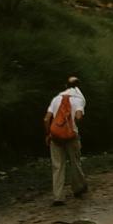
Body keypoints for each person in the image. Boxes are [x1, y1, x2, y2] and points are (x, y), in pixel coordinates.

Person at [43, 76, 88, 206]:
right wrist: (75, 123)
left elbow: (46, 119)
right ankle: (78, 188)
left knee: (57, 166)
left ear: (65, 85)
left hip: (55, 136)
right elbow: (78, 116)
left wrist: (48, 134)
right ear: (78, 86)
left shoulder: (56, 99)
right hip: (71, 136)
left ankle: (58, 197)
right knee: (75, 162)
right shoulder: (79, 99)